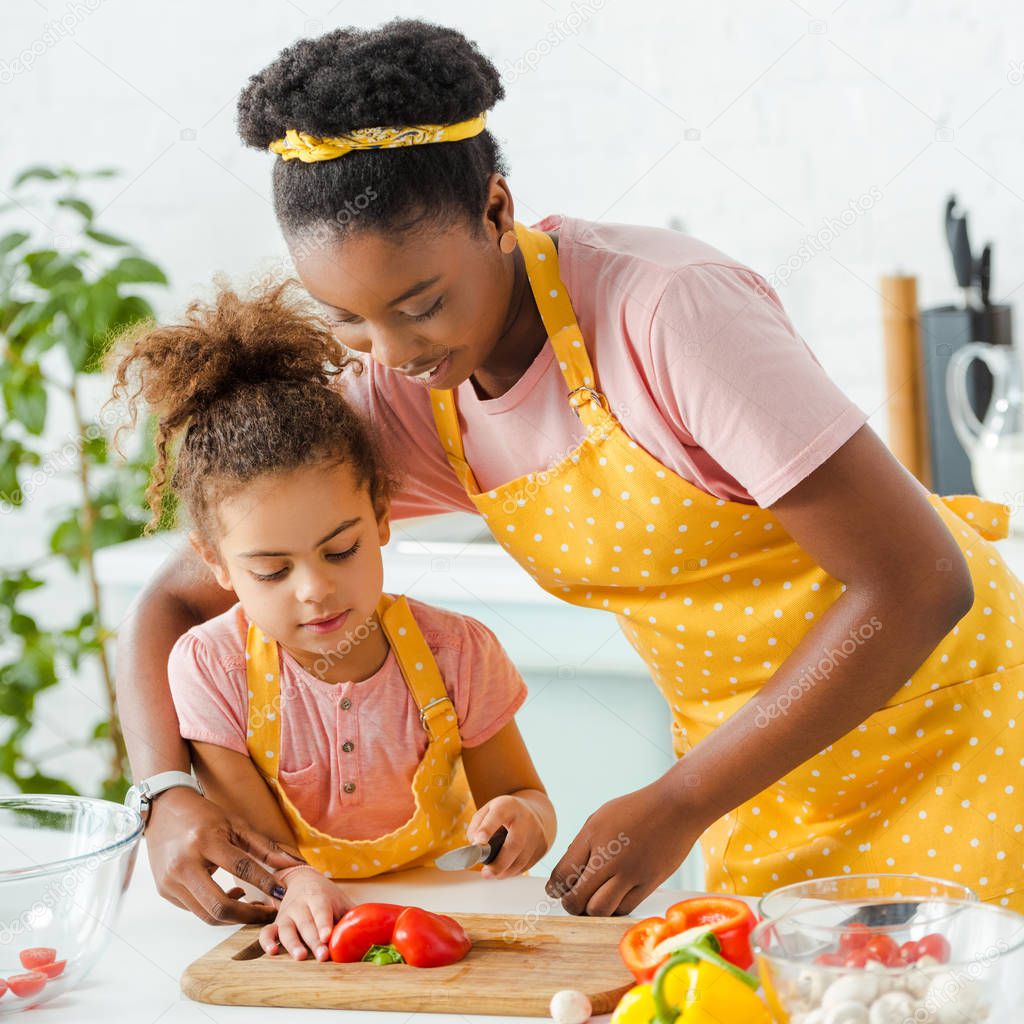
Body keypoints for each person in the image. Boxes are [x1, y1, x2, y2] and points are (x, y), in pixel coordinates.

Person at [115, 18, 1024, 921]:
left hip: (950, 726)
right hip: (764, 775)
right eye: (347, 318)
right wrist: (164, 795)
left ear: (497, 212)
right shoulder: (405, 393)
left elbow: (916, 583)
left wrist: (678, 801)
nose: (391, 351)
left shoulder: (668, 313)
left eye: (421, 303)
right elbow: (175, 599)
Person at [105, 281, 555, 958]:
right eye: (272, 570)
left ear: (381, 519)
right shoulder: (210, 669)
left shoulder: (459, 651)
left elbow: (528, 798)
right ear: (215, 563)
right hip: (318, 927)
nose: (315, 589)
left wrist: (524, 823)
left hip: (458, 924)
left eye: (341, 550)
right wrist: (300, 886)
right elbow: (272, 855)